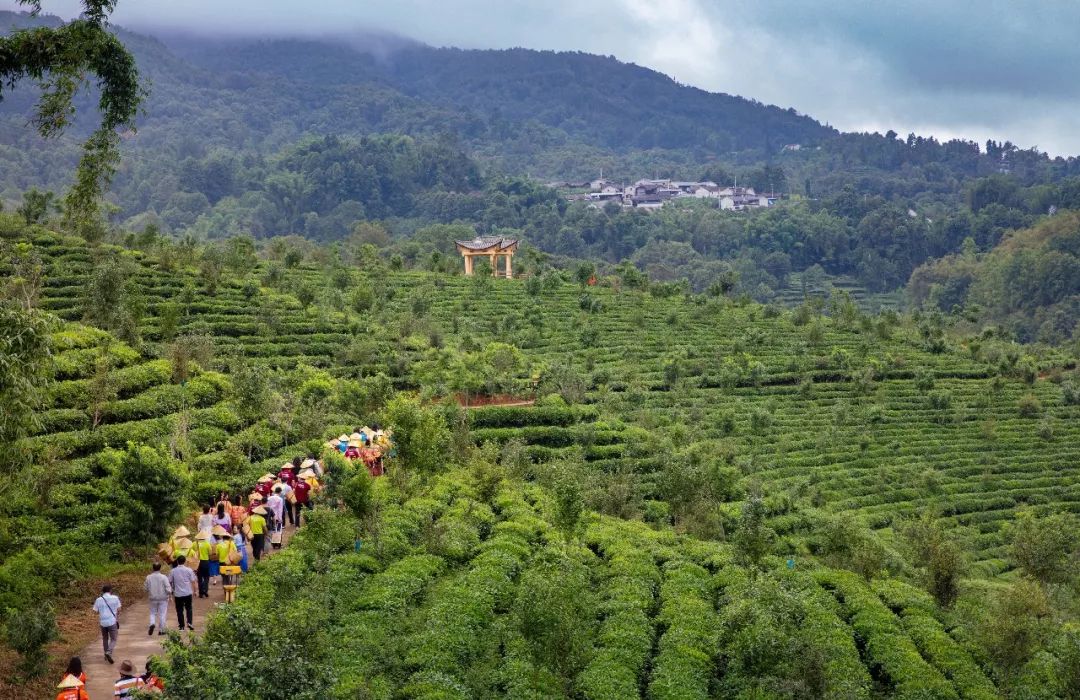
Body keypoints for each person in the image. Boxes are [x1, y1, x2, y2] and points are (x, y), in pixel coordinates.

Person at [93, 584, 121, 664]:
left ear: (102, 591)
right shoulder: (115, 598)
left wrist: (101, 611)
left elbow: (95, 611)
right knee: (113, 639)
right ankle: (109, 652)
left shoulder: (98, 599)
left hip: (103, 622)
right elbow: (119, 609)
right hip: (112, 621)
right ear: (110, 591)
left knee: (105, 638)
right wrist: (116, 615)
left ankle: (106, 655)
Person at [168, 556, 197, 631]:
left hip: (178, 594)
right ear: (185, 561)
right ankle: (189, 622)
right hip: (188, 592)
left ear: (177, 561)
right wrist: (195, 591)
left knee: (179, 610)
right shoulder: (189, 570)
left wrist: (170, 592)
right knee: (189, 608)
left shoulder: (173, 571)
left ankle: (181, 626)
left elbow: (169, 582)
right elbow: (193, 581)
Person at [144, 562, 172, 636]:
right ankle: (161, 630)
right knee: (162, 614)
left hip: (152, 598)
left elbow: (145, 588)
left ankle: (152, 623)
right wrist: (170, 595)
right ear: (160, 568)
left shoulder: (148, 577)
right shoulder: (164, 577)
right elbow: (168, 589)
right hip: (163, 598)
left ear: (153, 568)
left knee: (152, 613)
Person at [194, 530, 214, 598]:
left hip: (198, 563)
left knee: (199, 578)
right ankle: (205, 590)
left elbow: (193, 552)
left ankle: (200, 593)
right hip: (205, 562)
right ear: (204, 537)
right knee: (206, 577)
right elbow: (210, 553)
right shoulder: (207, 543)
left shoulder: (195, 544)